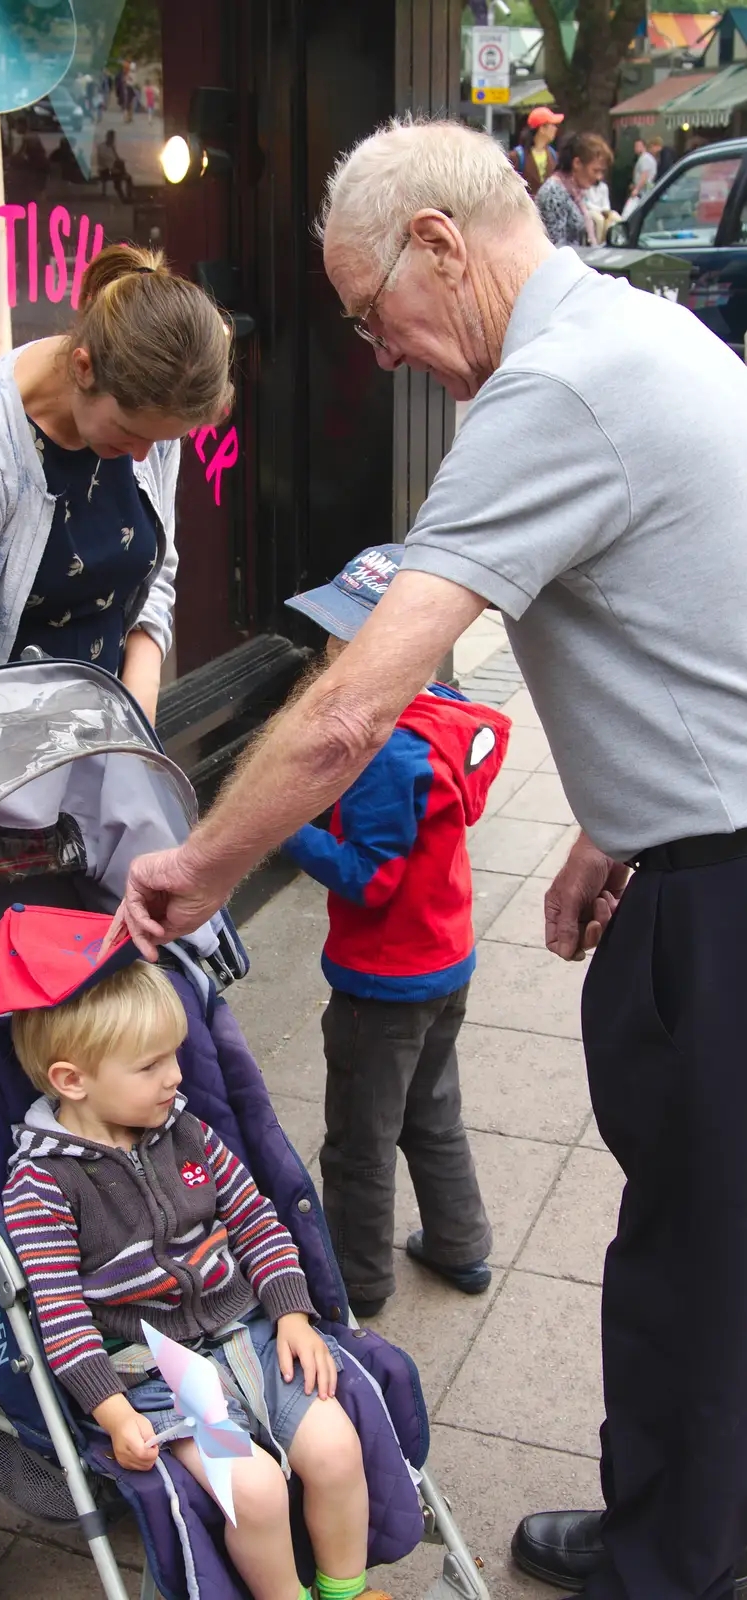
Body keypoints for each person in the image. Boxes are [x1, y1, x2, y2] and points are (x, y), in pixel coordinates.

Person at [111, 118, 747, 1600]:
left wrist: (193, 869)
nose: (376, 353)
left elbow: (346, 711)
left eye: (361, 312)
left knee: (692, 1266)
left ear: (440, 246)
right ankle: (685, 1525)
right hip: (700, 848)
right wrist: (619, 815)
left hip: (723, 906)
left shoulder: (550, 393)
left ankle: (672, 1563)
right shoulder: (638, 336)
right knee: (705, 1245)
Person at [0, 906, 389, 1600]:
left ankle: (344, 1592)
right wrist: (114, 1413)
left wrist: (291, 1313)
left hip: (252, 1335)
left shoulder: (187, 1132)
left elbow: (257, 1221)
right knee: (257, 1493)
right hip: (157, 1376)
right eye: (150, 1065)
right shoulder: (43, 1186)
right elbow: (58, 1314)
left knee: (334, 1447)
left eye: (174, 1054)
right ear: (71, 1080)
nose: (175, 1076)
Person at [281, 546, 510, 1317]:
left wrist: (286, 827)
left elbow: (369, 878)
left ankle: (355, 1282)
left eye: (339, 641)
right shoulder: (440, 715)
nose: (327, 653)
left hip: (382, 981)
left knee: (358, 1137)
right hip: (443, 961)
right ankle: (458, 1246)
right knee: (430, 1112)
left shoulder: (386, 751)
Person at [0, 245, 232, 723]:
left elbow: (157, 573)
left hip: (102, 726)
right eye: (131, 434)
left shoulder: (154, 410)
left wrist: (139, 702)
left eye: (161, 441)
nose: (145, 456)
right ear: (83, 368)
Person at [536, 131, 614, 247]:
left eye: (602, 172)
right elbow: (556, 247)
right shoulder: (553, 193)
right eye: (595, 170)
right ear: (577, 163)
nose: (599, 177)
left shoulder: (573, 191)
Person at [508, 106, 563, 199]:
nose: (555, 129)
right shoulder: (517, 157)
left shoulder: (554, 156)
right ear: (542, 128)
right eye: (552, 125)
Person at [627, 135, 657, 206]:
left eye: (637, 146)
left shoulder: (645, 158)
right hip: (643, 190)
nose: (635, 148)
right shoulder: (643, 158)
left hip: (643, 192)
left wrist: (636, 189)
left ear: (643, 146)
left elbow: (644, 175)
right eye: (635, 146)